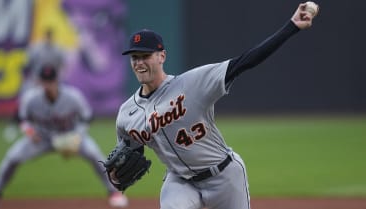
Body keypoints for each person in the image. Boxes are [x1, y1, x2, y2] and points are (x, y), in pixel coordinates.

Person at [112, 3, 318, 209]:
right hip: (180, 182)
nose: (139, 63)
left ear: (162, 56)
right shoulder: (126, 114)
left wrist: (291, 26)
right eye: (134, 57)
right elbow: (132, 155)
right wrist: (116, 173)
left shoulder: (192, 83)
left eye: (145, 56)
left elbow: (245, 61)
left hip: (225, 176)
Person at [0, 64, 128, 208]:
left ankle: (113, 191)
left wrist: (77, 135)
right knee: (12, 157)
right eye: (45, 81)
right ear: (39, 82)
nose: (48, 85)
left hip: (70, 136)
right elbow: (21, 118)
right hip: (42, 139)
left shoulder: (73, 96)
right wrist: (30, 132)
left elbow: (87, 117)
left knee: (95, 155)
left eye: (50, 80)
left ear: (57, 80)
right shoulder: (31, 99)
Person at [3, 28, 66, 142]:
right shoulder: (36, 49)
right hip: (36, 81)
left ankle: (54, 129)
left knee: (54, 104)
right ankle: (14, 126)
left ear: (52, 37)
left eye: (50, 36)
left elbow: (62, 66)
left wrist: (55, 81)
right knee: (24, 103)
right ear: (44, 36)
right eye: (47, 36)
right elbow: (26, 65)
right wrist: (30, 78)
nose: (49, 38)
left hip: (51, 82)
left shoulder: (57, 50)